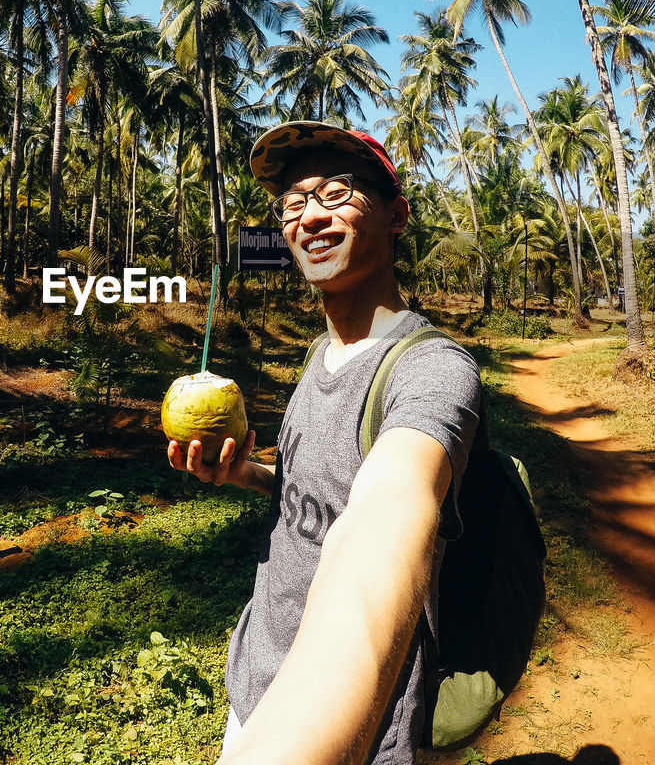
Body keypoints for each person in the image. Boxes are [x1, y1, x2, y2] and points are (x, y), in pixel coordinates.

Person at [166, 121, 482, 765]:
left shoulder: (435, 372)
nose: (309, 216)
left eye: (337, 194)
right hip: (255, 677)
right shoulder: (320, 353)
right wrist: (246, 475)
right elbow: (315, 486)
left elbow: (389, 516)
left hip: (354, 723)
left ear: (396, 216)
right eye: (293, 202)